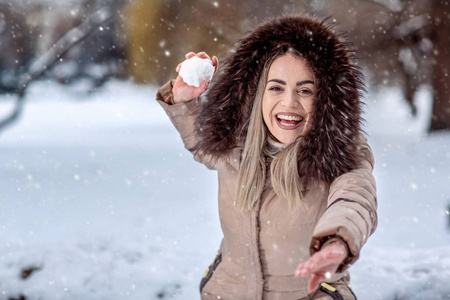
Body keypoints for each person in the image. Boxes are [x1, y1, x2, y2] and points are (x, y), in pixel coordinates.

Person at [156, 14, 377, 300]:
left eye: (306, 90)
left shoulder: (342, 154)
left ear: (325, 101)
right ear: (258, 94)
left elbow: (355, 198)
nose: (289, 103)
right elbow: (204, 144)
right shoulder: (237, 144)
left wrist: (337, 241)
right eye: (276, 87)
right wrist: (185, 100)